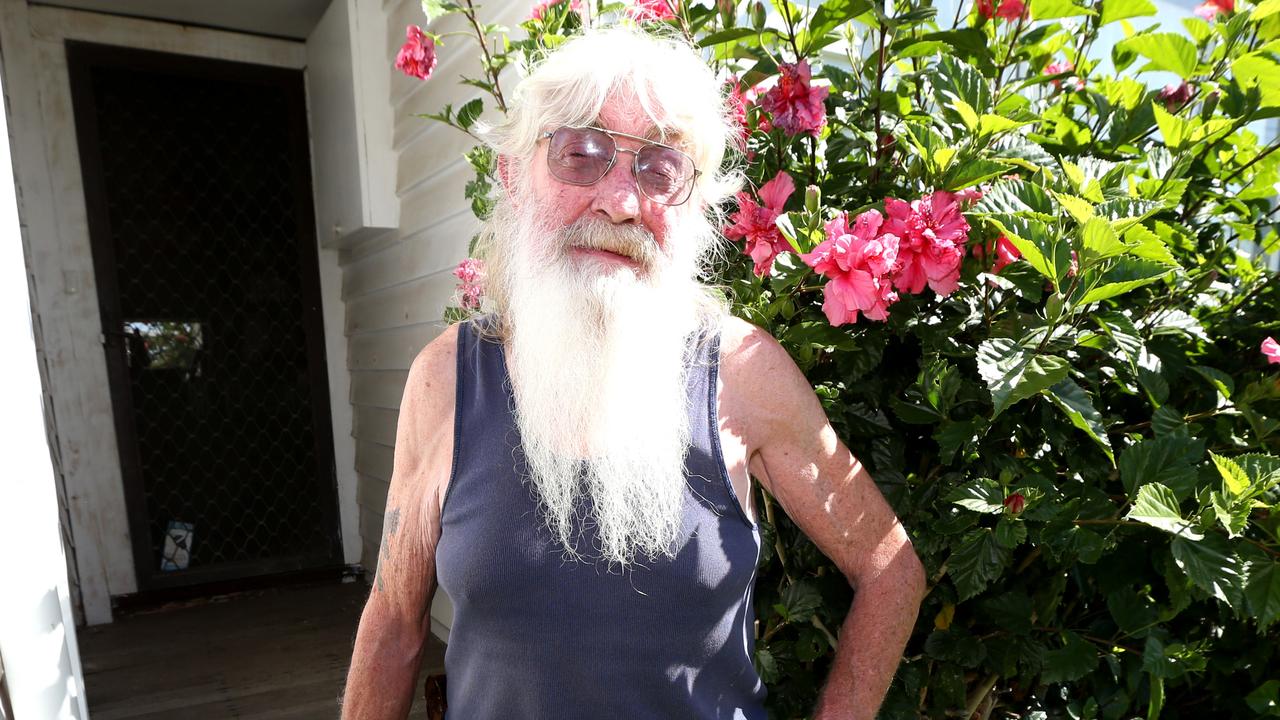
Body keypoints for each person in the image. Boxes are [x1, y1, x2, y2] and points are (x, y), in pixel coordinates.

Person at [341, 25, 925, 720]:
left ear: (697, 205)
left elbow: (892, 571)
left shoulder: (741, 372)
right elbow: (393, 621)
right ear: (512, 176)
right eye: (580, 153)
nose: (620, 201)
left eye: (659, 170)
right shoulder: (446, 378)